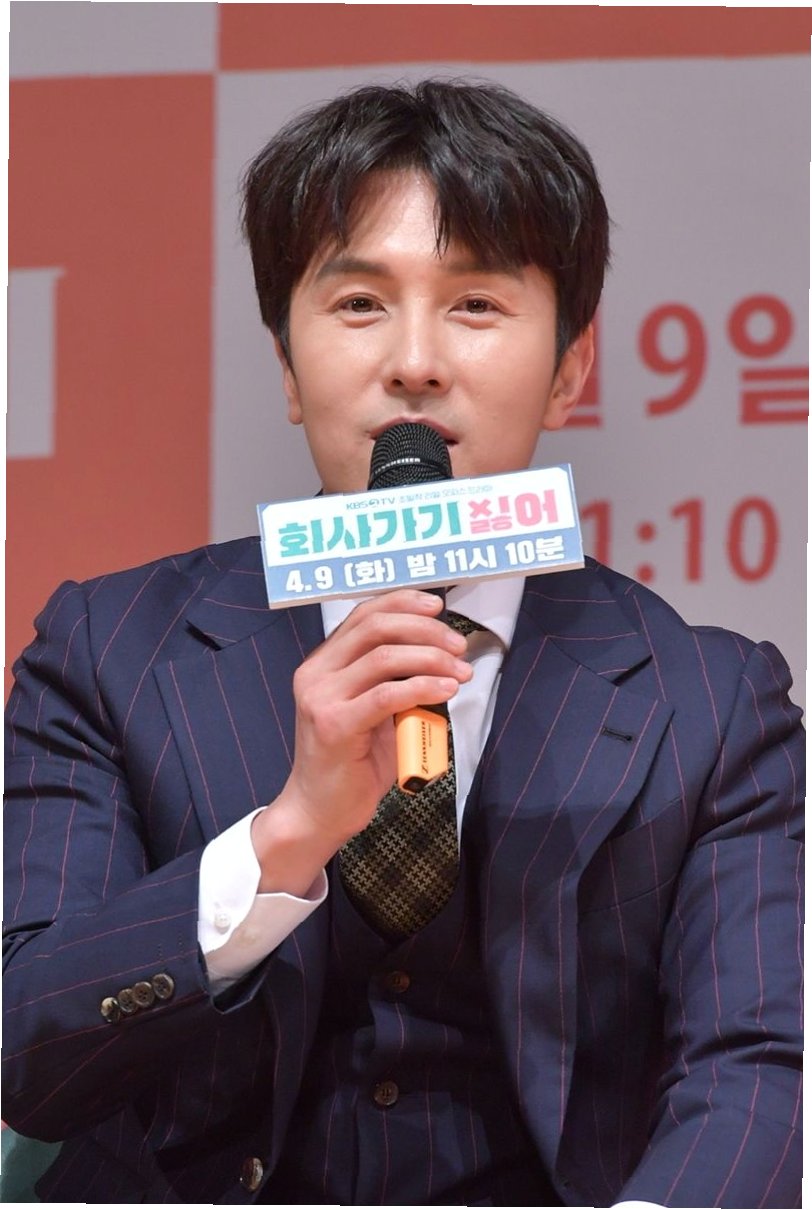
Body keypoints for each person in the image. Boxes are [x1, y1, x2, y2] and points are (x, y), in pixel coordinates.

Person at [3, 79, 803, 1208]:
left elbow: (756, 1065)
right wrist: (286, 837)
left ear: (570, 368)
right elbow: (25, 1053)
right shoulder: (108, 650)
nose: (414, 360)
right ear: (288, 368)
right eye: (359, 303)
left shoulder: (711, 701)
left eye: (475, 303)